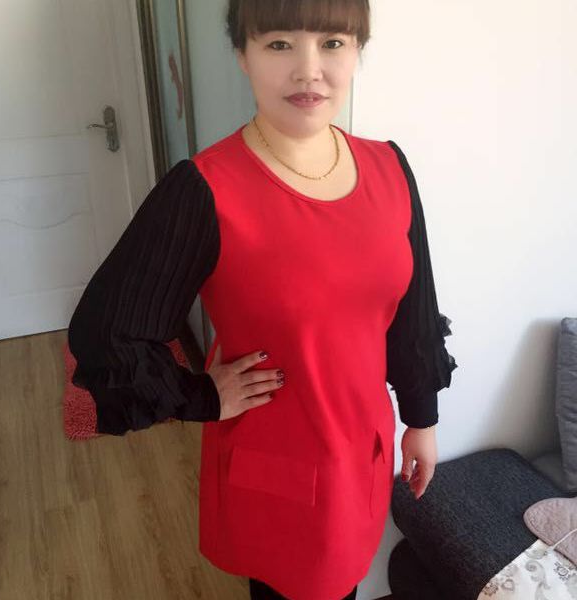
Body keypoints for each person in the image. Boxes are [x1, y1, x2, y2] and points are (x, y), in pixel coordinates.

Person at [67, 0, 458, 598]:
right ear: (242, 54)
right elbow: (106, 333)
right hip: (281, 461)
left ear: (357, 50)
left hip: (364, 449)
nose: (308, 70)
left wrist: (420, 418)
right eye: (279, 44)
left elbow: (414, 308)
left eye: (332, 43)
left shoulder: (390, 168)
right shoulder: (204, 189)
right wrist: (199, 395)